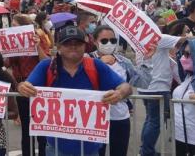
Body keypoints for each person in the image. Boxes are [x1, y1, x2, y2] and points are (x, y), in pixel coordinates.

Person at [18, 26, 132, 156]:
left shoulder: (96, 65)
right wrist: (22, 87)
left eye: (78, 43)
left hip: (90, 148)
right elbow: (27, 84)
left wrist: (120, 93)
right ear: (59, 48)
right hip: (56, 147)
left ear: (84, 46)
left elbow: (126, 87)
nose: (73, 47)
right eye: (67, 43)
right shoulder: (47, 66)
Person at [90, 26, 149, 156]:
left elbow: (144, 82)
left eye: (113, 40)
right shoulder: (86, 60)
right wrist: (98, 63)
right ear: (95, 41)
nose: (109, 44)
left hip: (119, 117)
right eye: (104, 41)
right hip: (93, 118)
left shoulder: (124, 62)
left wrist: (147, 59)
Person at [138, 29, 187, 156]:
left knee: (150, 120)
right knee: (155, 122)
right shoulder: (159, 37)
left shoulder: (139, 39)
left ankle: (144, 149)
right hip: (158, 88)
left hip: (145, 87)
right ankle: (147, 152)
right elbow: (182, 40)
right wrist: (194, 36)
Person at [5, 14, 48, 156]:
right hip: (21, 87)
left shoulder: (38, 37)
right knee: (26, 127)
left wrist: (37, 47)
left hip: (38, 87)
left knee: (41, 126)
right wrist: (3, 51)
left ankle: (43, 153)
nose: (13, 28)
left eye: (15, 25)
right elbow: (6, 64)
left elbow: (46, 62)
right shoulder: (13, 41)